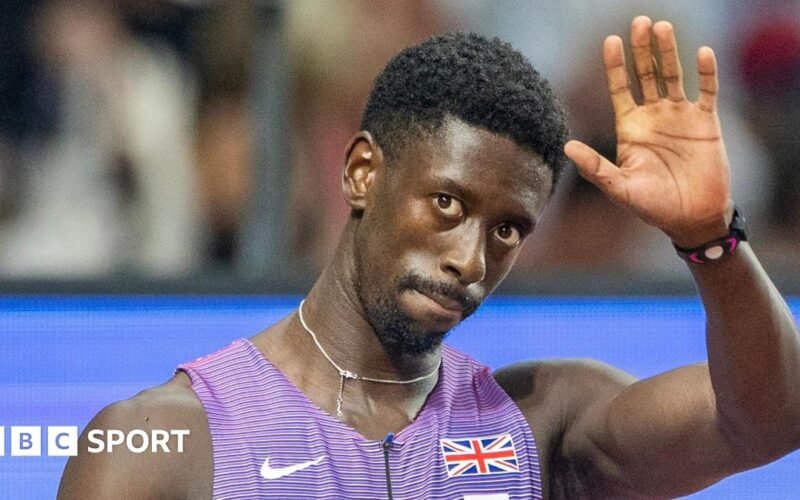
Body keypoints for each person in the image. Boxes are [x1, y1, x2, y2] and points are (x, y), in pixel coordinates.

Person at [58, 16, 800, 499]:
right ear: (362, 172)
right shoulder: (158, 444)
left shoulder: (543, 422)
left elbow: (766, 423)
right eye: (447, 204)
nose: (471, 259)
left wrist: (712, 240)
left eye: (508, 229)